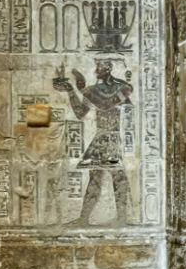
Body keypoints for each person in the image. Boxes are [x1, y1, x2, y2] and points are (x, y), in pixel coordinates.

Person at [53, 59, 134, 222]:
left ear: (108, 69)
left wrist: (82, 89)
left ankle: (122, 218)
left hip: (112, 136)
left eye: (99, 67)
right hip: (100, 136)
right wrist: (70, 91)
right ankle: (83, 219)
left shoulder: (122, 87)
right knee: (95, 178)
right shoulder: (92, 90)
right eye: (96, 66)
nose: (96, 70)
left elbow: (105, 105)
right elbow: (80, 113)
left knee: (119, 178)